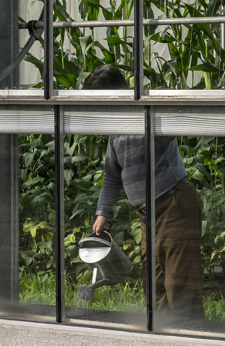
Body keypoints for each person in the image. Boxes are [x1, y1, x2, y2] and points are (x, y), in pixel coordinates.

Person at [84, 65, 203, 318]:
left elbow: (173, 129)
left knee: (179, 285)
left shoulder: (147, 113)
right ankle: (162, 345)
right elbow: (112, 173)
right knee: (155, 285)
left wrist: (147, 112)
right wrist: (102, 212)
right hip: (147, 214)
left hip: (174, 204)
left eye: (102, 103)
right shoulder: (116, 129)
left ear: (118, 93)